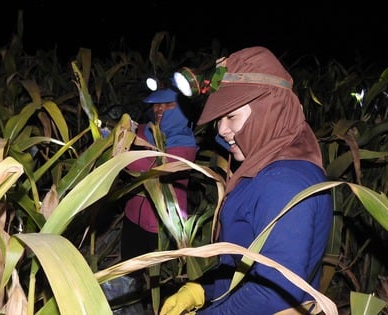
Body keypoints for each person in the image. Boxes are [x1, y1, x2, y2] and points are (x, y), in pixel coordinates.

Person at [160, 46, 334, 315]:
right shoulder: (261, 166)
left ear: (269, 112)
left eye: (231, 116)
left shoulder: (285, 182)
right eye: (220, 118)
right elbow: (244, 264)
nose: (222, 129)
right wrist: (202, 289)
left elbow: (274, 292)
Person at [121, 88, 198, 262]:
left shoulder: (185, 145)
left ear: (182, 109)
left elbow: (153, 167)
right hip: (133, 215)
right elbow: (129, 129)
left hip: (163, 224)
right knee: (129, 267)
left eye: (168, 105)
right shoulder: (145, 130)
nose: (159, 109)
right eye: (156, 105)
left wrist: (120, 151)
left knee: (159, 279)